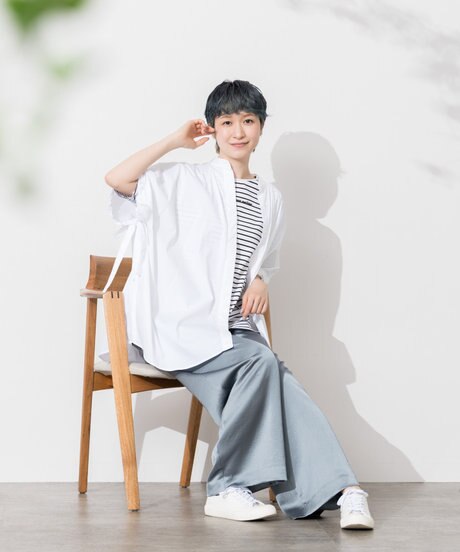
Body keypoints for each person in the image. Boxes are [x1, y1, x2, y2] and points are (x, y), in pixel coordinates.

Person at [103, 79, 375, 530]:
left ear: (261, 127)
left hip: (235, 332)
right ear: (212, 128)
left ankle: (342, 491)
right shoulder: (184, 180)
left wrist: (262, 278)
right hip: (180, 326)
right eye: (226, 122)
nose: (238, 131)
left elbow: (265, 258)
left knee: (273, 377)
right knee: (263, 365)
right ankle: (234, 486)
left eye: (248, 121)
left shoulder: (271, 198)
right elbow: (117, 179)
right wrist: (174, 141)